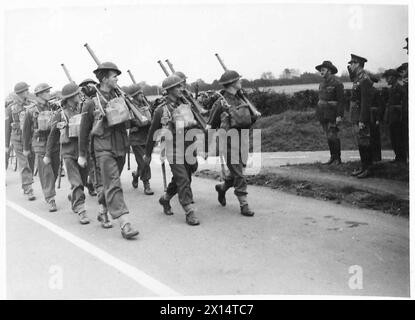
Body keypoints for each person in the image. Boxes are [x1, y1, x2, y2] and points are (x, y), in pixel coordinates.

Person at [79, 61, 139, 239]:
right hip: (102, 147)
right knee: (113, 183)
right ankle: (124, 222)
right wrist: (82, 154)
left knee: (110, 183)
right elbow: (83, 131)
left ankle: (103, 208)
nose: (117, 79)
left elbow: (130, 120)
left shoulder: (120, 96)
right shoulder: (91, 103)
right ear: (104, 78)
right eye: (114, 76)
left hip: (121, 145)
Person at [144, 74, 200, 226]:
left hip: (188, 146)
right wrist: (148, 154)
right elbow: (151, 134)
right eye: (178, 87)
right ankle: (189, 211)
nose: (182, 88)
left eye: (182, 86)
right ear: (169, 90)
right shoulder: (160, 111)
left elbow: (197, 124)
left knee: (183, 177)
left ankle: (166, 199)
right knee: (183, 178)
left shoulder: (187, 105)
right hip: (172, 147)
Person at [207, 69, 260, 216]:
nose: (241, 82)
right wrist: (207, 147)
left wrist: (254, 115)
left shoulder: (241, 99)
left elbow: (248, 119)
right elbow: (210, 125)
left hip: (243, 139)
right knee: (239, 174)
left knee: (239, 170)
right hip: (228, 142)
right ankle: (244, 205)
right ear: (232, 83)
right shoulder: (220, 103)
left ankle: (222, 188)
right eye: (238, 80)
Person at [45, 83, 90, 224]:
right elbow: (52, 136)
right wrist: (47, 154)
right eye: (77, 94)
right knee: (77, 182)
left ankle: (74, 198)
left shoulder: (84, 109)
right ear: (70, 97)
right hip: (68, 153)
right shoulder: (60, 114)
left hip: (83, 152)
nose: (80, 96)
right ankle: (81, 210)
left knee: (81, 181)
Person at [22, 83, 59, 210]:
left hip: (54, 142)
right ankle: (50, 198)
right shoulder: (31, 110)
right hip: (40, 143)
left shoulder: (53, 107)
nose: (49, 94)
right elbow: (26, 131)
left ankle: (49, 190)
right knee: (46, 171)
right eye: (47, 92)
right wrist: (26, 148)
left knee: (55, 170)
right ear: (39, 95)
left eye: (49, 91)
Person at [5, 82, 36, 200]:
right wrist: (6, 145)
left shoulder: (32, 105)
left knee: (31, 161)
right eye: (25, 90)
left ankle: (28, 183)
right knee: (24, 163)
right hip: (17, 138)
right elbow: (7, 126)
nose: (28, 92)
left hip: (30, 137)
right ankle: (28, 188)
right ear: (19, 93)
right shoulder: (11, 108)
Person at [347, 54, 374, 178]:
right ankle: (364, 167)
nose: (350, 65)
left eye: (352, 63)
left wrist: (363, 119)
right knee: (361, 141)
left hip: (361, 116)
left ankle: (368, 168)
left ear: (358, 64)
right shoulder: (358, 78)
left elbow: (365, 102)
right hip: (356, 114)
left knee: (364, 141)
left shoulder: (364, 79)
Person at [125, 84, 154, 195]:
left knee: (145, 161)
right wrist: (144, 122)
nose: (142, 95)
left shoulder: (146, 104)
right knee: (144, 162)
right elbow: (131, 121)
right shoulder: (130, 106)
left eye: (142, 92)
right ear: (135, 95)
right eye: (139, 93)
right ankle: (146, 185)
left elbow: (154, 115)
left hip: (147, 137)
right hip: (136, 138)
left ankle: (136, 174)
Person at [315, 60, 345, 165]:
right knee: (328, 136)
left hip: (333, 114)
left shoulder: (337, 83)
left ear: (330, 71)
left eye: (323, 70)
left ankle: (338, 159)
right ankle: (332, 157)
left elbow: (341, 101)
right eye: (320, 70)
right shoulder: (322, 84)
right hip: (323, 115)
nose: (321, 72)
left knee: (334, 135)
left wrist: (339, 116)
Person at [79, 78, 99, 197]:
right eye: (88, 86)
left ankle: (91, 182)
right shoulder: (82, 103)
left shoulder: (97, 100)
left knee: (95, 164)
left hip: (98, 135)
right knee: (91, 164)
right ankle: (95, 185)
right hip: (86, 137)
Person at [382, 69, 407, 163]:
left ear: (392, 78)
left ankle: (402, 158)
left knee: (399, 138)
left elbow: (403, 104)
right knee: (394, 138)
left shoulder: (400, 89)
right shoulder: (392, 88)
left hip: (398, 118)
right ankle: (398, 157)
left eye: (388, 78)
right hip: (392, 118)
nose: (387, 80)